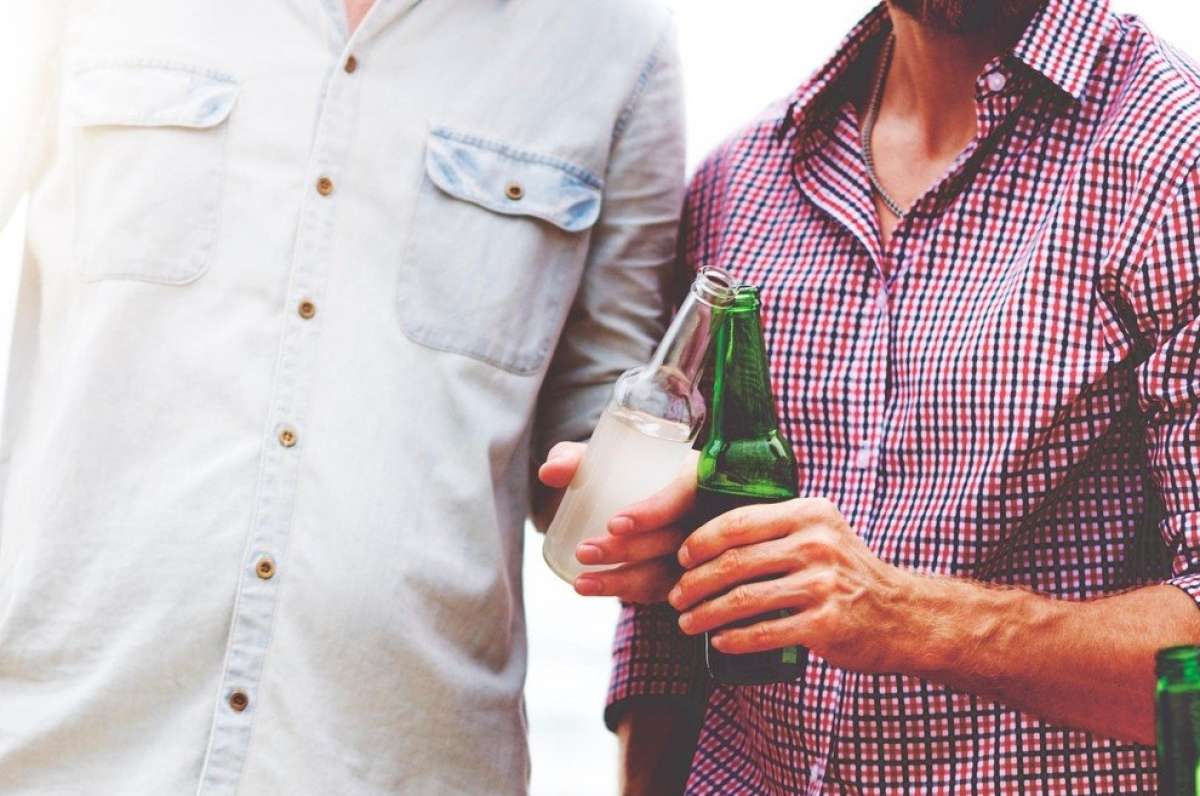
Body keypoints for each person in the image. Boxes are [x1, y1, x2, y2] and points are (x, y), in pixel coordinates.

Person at [0, 1, 683, 793]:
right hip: (52, 741)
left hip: (398, 763)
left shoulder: (619, 45)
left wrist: (646, 514)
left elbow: (599, 421)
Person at [539, 0, 1200, 791]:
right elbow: (664, 643)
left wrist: (911, 617)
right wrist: (657, 538)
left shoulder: (1176, 160)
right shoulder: (739, 182)